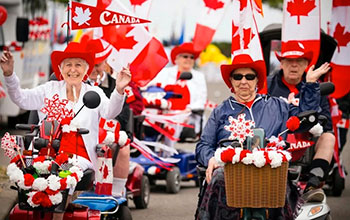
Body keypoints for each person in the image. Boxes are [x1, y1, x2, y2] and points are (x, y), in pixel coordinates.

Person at [0, 41, 131, 220]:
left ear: (86, 70)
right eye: (68, 64)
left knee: (62, 174)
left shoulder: (94, 92)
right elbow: (21, 99)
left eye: (78, 64)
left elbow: (110, 112)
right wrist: (9, 75)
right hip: (47, 151)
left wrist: (119, 90)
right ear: (60, 69)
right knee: (32, 173)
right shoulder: (49, 89)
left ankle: (58, 215)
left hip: (79, 156)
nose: (73, 69)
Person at [195, 53, 328, 219]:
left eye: (249, 76)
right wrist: (211, 159)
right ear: (231, 81)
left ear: (257, 81)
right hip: (229, 173)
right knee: (220, 176)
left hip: (270, 172)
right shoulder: (220, 111)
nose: (243, 81)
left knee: (278, 179)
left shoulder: (278, 106)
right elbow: (203, 145)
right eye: (238, 76)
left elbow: (305, 119)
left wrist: (310, 84)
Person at [267, 41, 335, 201]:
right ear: (281, 63)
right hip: (275, 140)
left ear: (306, 65)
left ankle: (313, 183)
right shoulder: (268, 84)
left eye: (299, 62)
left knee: (329, 137)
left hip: (307, 144)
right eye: (289, 61)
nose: (294, 66)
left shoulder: (316, 87)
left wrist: (315, 123)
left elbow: (327, 123)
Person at [84, 38, 133, 197]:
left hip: (109, 130)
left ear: (105, 63)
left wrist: (113, 130)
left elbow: (123, 114)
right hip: (84, 130)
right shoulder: (74, 84)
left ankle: (117, 192)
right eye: (89, 66)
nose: (93, 70)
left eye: (97, 65)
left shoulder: (117, 83)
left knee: (123, 146)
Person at [147, 42, 207, 146]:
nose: (189, 59)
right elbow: (153, 89)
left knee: (174, 122)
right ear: (177, 59)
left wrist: (189, 109)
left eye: (192, 57)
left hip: (188, 113)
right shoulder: (165, 73)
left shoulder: (199, 76)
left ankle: (167, 154)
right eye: (185, 56)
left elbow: (202, 99)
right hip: (165, 110)